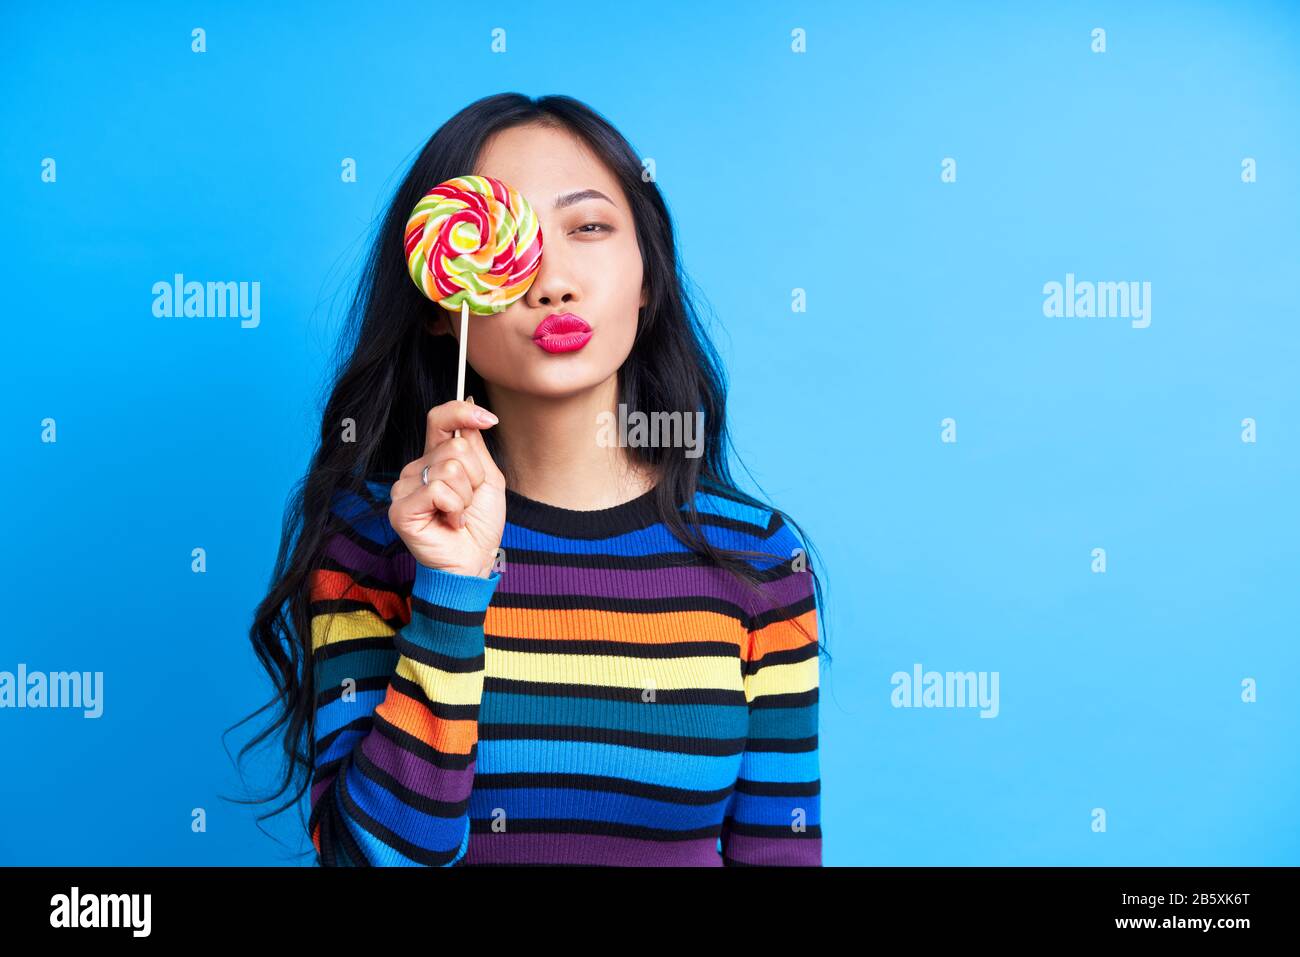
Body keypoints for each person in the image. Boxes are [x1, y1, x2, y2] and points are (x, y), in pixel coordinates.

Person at [238, 93, 829, 866]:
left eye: (588, 227)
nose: (550, 281)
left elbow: (780, 856)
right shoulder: (370, 540)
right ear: (439, 303)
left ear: (648, 277)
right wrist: (450, 589)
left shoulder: (757, 555)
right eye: (501, 239)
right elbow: (367, 860)